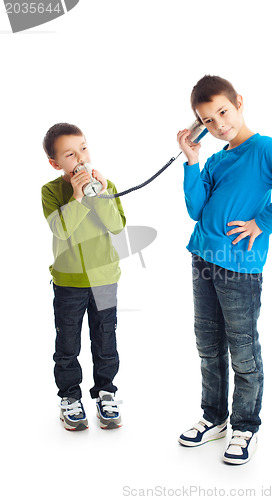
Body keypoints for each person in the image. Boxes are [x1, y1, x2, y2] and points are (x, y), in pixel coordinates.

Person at [177, 75, 272, 464]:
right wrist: (192, 161)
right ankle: (213, 417)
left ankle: (245, 425)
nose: (219, 125)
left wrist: (262, 223)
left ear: (239, 102)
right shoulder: (217, 159)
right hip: (202, 257)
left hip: (239, 267)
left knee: (242, 347)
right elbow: (196, 209)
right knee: (208, 344)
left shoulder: (263, 149)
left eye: (223, 112)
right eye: (207, 121)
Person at [41, 123, 126, 431]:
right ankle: (69, 397)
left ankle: (106, 392)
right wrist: (77, 196)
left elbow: (116, 227)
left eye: (84, 148)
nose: (80, 157)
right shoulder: (51, 191)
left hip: (105, 278)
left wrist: (99, 194)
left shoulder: (106, 185)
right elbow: (61, 229)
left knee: (105, 340)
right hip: (69, 282)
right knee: (68, 343)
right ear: (55, 162)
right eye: (70, 154)